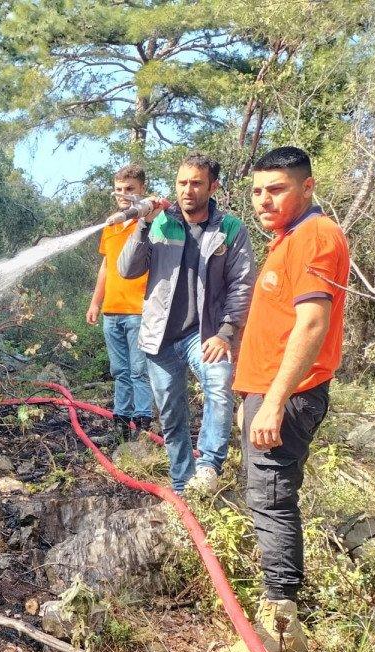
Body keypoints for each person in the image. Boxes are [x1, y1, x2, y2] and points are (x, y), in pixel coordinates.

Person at [218, 147, 350, 652]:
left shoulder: (317, 237)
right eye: (256, 190)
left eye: (276, 189)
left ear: (307, 188)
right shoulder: (287, 241)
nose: (263, 200)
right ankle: (279, 621)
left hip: (286, 397)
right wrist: (250, 399)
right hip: (267, 395)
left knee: (271, 500)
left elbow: (312, 325)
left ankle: (278, 629)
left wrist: (271, 402)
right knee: (267, 497)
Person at [118, 152, 255, 494]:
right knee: (171, 415)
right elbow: (127, 269)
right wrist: (143, 224)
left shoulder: (230, 229)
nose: (188, 190)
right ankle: (183, 485)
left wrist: (226, 333)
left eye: (196, 183)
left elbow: (243, 284)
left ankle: (208, 466)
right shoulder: (160, 221)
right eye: (182, 182)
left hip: (204, 333)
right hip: (159, 337)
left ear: (213, 186)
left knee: (219, 382)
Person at [86, 164, 154, 446]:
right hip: (111, 312)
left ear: (142, 190)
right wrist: (95, 303)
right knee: (119, 371)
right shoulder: (111, 224)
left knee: (139, 370)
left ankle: (142, 425)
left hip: (138, 310)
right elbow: (105, 265)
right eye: (119, 191)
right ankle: (121, 424)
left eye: (130, 190)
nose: (124, 195)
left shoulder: (148, 221)